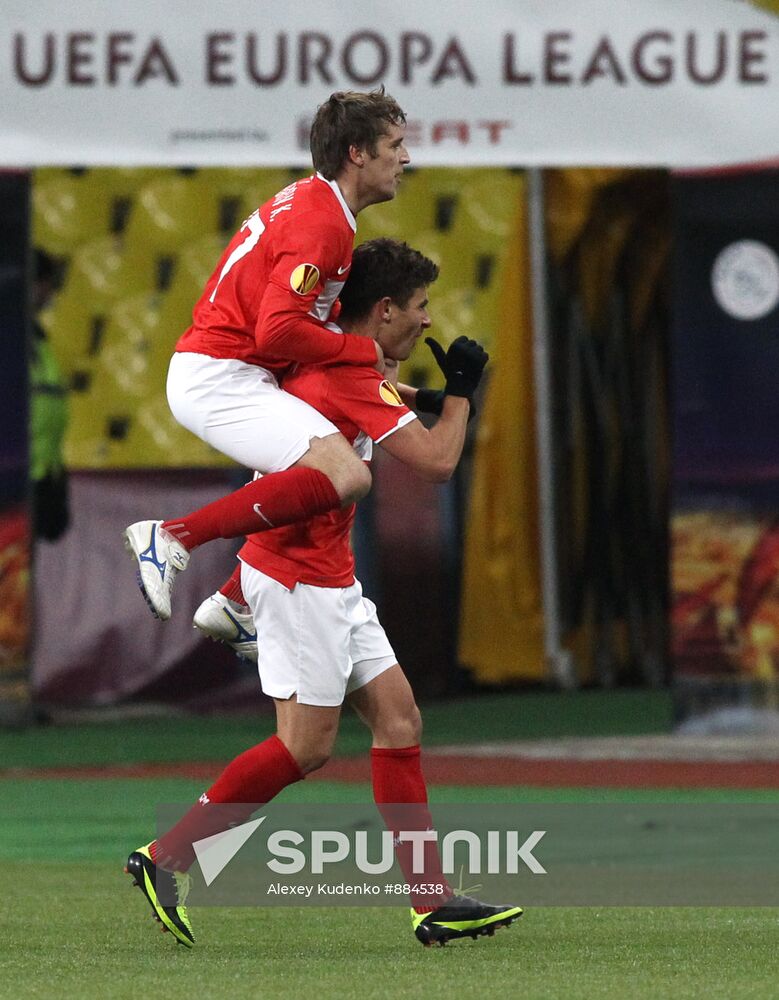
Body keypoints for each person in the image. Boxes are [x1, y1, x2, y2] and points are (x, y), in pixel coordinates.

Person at [125, 239, 522, 949]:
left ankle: (431, 903)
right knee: (305, 748)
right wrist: (461, 393)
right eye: (420, 306)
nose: (428, 320)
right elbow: (437, 463)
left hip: (328, 576)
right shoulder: (350, 377)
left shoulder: (329, 358)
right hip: (299, 579)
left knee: (399, 723)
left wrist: (425, 396)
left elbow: (370, 389)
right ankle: (167, 856)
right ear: (385, 309)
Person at [123, 89, 411, 622]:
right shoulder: (322, 225)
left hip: (235, 372)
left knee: (323, 462)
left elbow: (296, 320)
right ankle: (172, 537)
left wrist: (384, 377)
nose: (405, 158)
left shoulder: (317, 204)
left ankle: (235, 600)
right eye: (394, 145)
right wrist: (362, 349)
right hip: (221, 377)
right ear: (357, 152)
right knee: (347, 476)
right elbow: (278, 331)